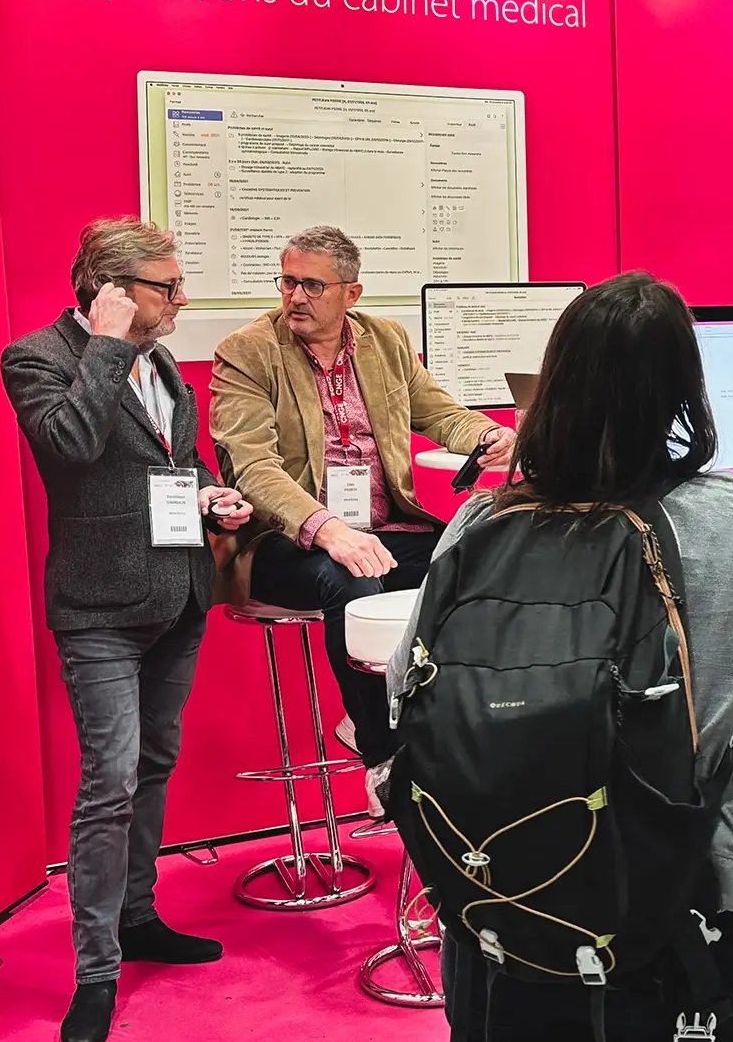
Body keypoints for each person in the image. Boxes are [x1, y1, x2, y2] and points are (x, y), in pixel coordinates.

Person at [384, 273, 733, 1041]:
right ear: (684, 393)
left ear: (552, 381)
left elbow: (405, 688)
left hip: (497, 888)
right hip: (688, 892)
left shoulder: (481, 519)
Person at [0, 218, 253, 1042]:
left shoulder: (163, 363)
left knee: (153, 763)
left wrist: (211, 493)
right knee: (107, 782)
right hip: (99, 610)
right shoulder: (36, 358)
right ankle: (97, 970)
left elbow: (172, 461)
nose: (181, 299)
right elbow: (70, 447)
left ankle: (139, 916)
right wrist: (107, 345)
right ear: (110, 291)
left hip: (179, 595)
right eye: (166, 286)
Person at [208, 226, 513, 812]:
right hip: (284, 538)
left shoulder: (386, 340)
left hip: (385, 527)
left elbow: (436, 409)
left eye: (312, 285)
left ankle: (421, 721)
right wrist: (327, 528)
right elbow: (253, 468)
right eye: (288, 281)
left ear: (352, 293)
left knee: (481, 561)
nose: (295, 296)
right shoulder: (247, 353)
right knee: (351, 582)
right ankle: (383, 754)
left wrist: (485, 434)